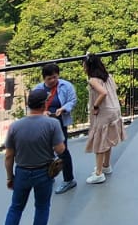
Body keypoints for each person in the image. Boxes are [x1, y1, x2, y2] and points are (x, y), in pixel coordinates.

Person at [0, 85, 66, 225]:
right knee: (42, 207)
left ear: (28, 104)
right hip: (43, 172)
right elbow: (60, 149)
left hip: (21, 172)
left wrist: (10, 177)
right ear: (44, 105)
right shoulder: (51, 124)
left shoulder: (15, 126)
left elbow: (9, 155)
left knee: (16, 208)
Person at [82, 55, 124, 184]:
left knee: (100, 141)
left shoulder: (93, 80)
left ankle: (99, 173)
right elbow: (113, 90)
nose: (83, 68)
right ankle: (106, 165)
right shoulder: (108, 77)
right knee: (108, 138)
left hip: (104, 112)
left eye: (84, 65)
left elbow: (103, 93)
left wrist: (95, 106)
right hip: (114, 109)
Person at [41, 63, 78, 193]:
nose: (53, 80)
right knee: (46, 151)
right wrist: (42, 112)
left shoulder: (66, 86)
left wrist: (63, 109)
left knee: (62, 150)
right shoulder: (39, 89)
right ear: (44, 78)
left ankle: (68, 179)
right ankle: (50, 175)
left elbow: (72, 100)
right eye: (49, 78)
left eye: (55, 77)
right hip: (44, 124)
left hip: (59, 123)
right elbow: (32, 105)